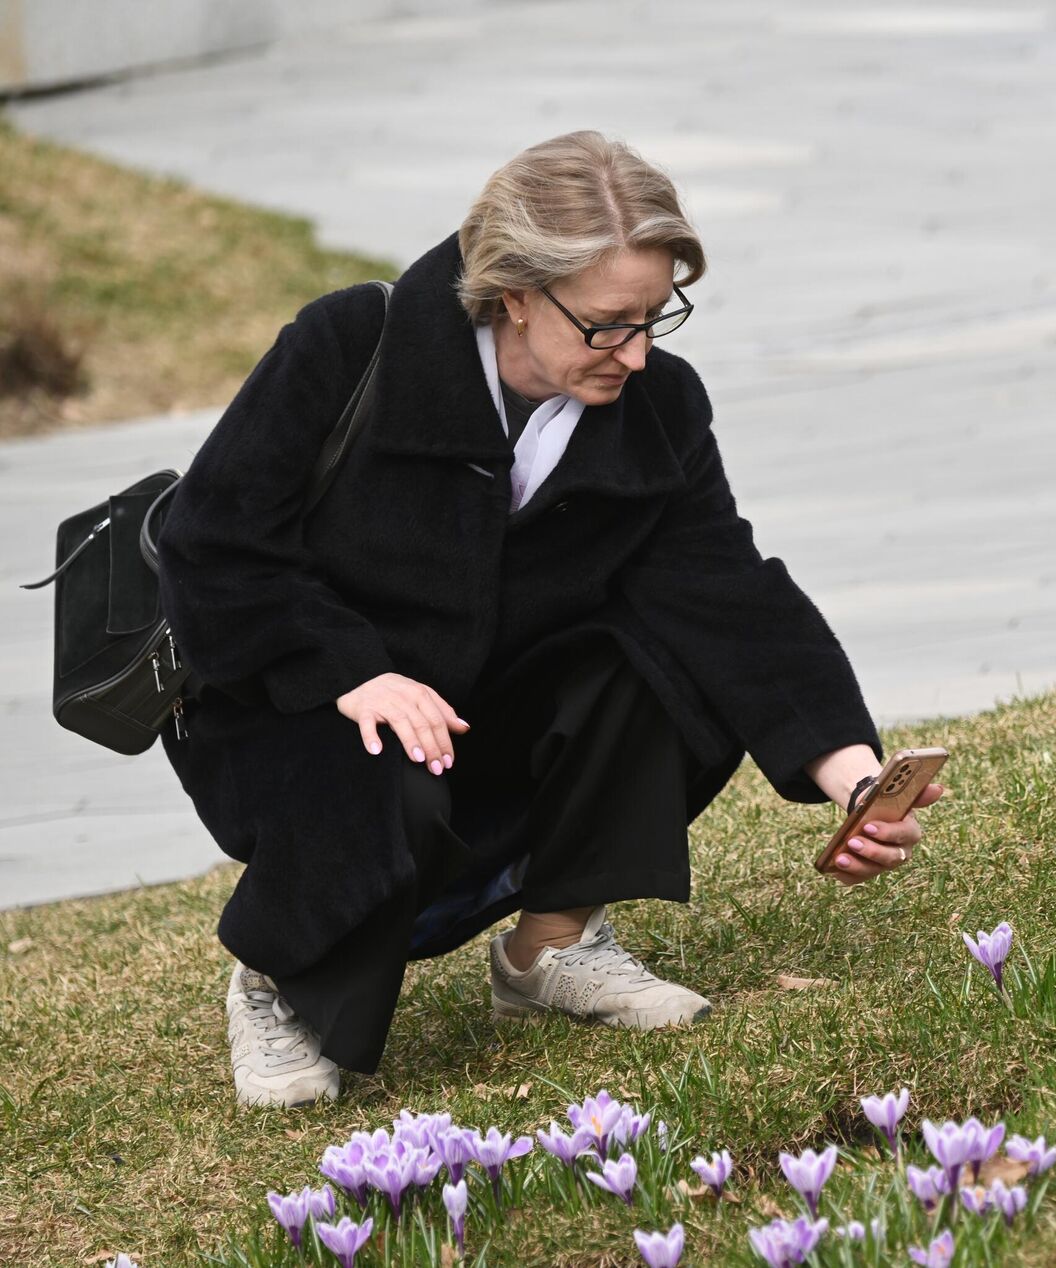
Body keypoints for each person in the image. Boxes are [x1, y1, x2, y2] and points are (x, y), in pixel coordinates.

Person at [154, 130, 944, 1108]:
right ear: (517, 293)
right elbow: (210, 545)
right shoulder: (346, 345)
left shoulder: (660, 405)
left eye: (658, 316)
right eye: (610, 323)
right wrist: (353, 671)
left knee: (657, 661)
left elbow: (728, 589)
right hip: (288, 704)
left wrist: (853, 771)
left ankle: (552, 947)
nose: (639, 350)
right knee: (378, 770)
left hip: (479, 702)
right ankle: (276, 979)